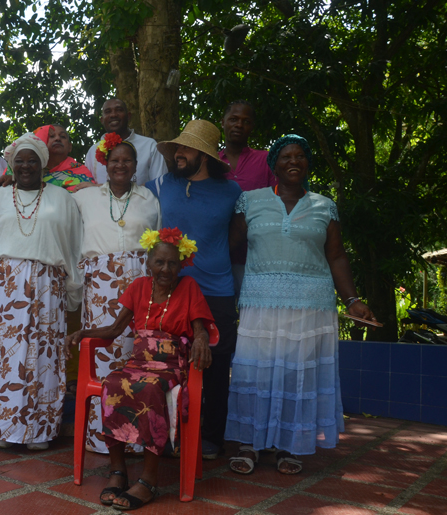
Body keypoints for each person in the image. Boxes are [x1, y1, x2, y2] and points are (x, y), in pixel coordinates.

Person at [226, 135, 376, 475]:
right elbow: (231, 247)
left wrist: (352, 300)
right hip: (260, 303)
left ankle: (287, 445)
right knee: (254, 373)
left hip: (310, 306)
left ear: (307, 163)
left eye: (300, 156)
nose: (293, 162)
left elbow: (336, 256)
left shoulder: (324, 206)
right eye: (285, 157)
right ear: (274, 164)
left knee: (297, 375)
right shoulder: (249, 201)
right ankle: (249, 444)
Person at [66, 229, 213, 511]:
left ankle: (148, 480)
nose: (165, 269)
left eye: (172, 263)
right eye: (159, 262)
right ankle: (118, 470)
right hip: (138, 363)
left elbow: (200, 330)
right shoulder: (138, 286)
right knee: (113, 382)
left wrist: (202, 340)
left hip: (170, 367)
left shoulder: (189, 287)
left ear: (181, 264)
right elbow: (114, 329)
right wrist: (82, 331)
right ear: (148, 263)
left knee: (149, 388)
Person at [0, 132, 83, 451]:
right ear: (12, 166)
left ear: (43, 165)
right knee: (4, 360)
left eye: (32, 161)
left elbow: (74, 245)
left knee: (44, 357)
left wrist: (73, 290)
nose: (25, 166)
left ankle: (40, 430)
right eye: (19, 161)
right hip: (4, 286)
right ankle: (5, 429)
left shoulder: (62, 199)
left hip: (47, 285)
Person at [147, 120, 242, 461]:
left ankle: (212, 438)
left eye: (186, 148)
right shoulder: (161, 184)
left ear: (204, 155)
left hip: (216, 290)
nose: (178, 153)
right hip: (172, 290)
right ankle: (167, 435)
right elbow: (121, 193)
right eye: (177, 148)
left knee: (215, 366)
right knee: (167, 363)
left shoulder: (232, 192)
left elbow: (239, 236)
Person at [72, 134, 161, 453]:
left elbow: (156, 247)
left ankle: (138, 438)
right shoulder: (85, 198)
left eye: (127, 160)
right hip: (100, 287)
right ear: (104, 165)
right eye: (114, 160)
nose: (120, 164)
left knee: (137, 355)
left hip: (140, 284)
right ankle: (102, 437)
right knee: (104, 354)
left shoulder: (150, 199)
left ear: (136, 166)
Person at [217, 100, 276, 298]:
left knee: (256, 321)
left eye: (246, 121)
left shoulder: (266, 160)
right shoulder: (210, 162)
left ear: (252, 127)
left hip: (257, 258)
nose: (239, 125)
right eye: (233, 119)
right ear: (223, 122)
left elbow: (278, 203)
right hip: (218, 258)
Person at [84, 99, 167, 186]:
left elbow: (160, 185)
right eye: (108, 112)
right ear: (102, 120)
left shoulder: (149, 146)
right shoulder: (93, 151)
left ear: (128, 116)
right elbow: (88, 188)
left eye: (119, 110)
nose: (113, 115)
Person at [1, 124, 95, 192]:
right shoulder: (19, 168)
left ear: (70, 147)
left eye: (62, 136)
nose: (57, 139)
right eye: (51, 136)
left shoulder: (80, 171)